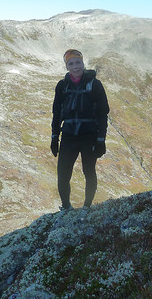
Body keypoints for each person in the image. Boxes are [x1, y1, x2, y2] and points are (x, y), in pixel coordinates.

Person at [50, 49, 109, 211]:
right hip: (69, 136)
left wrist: (101, 140)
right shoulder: (62, 86)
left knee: (89, 171)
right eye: (71, 63)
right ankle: (67, 207)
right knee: (63, 174)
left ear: (83, 63)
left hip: (89, 136)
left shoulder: (95, 85)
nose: (75, 67)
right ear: (67, 66)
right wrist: (55, 137)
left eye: (78, 62)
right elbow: (56, 113)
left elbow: (103, 113)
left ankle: (87, 207)